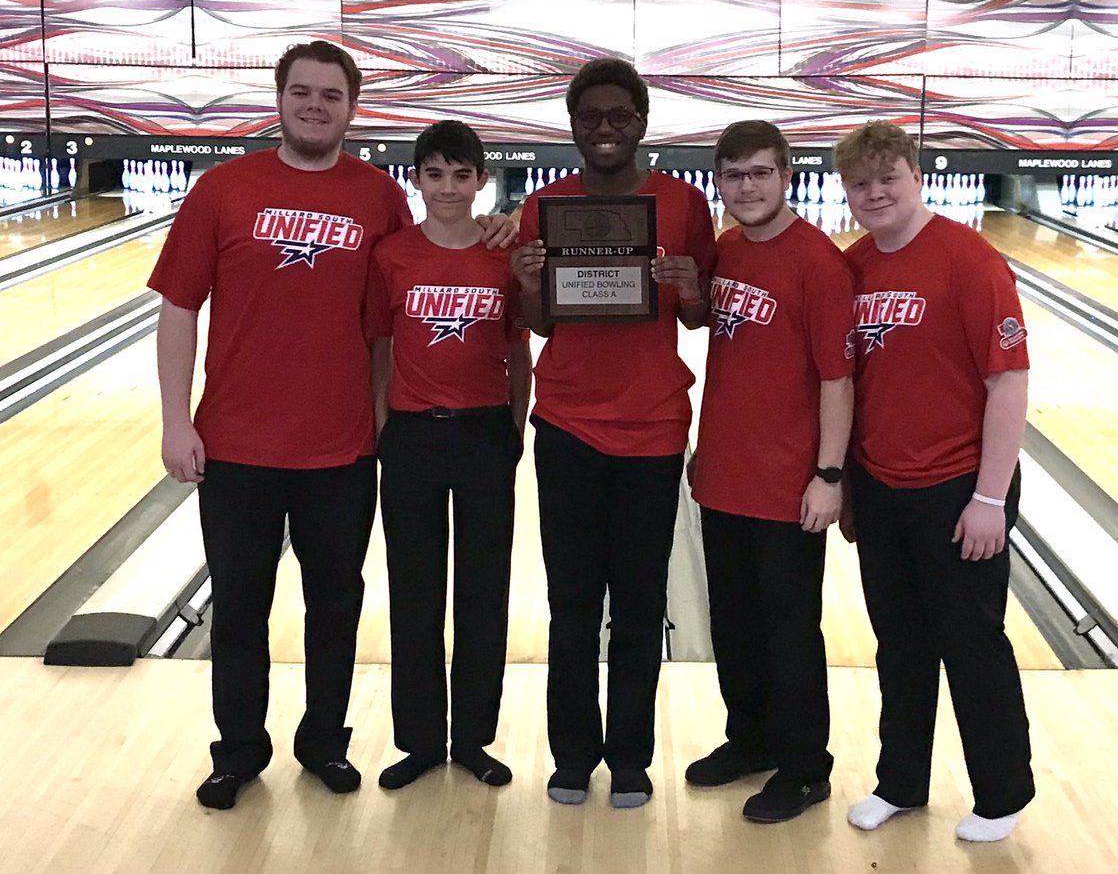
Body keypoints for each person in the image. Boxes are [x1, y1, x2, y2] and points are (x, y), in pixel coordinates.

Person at [151, 40, 514, 811]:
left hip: (345, 445)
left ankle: (323, 743)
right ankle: (239, 751)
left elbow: (418, 285)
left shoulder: (379, 196)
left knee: (335, 606)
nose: (315, 105)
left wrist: (498, 231)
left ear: (353, 107)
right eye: (302, 92)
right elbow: (178, 306)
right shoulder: (221, 189)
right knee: (241, 609)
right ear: (279, 98)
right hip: (236, 443)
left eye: (331, 95)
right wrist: (174, 420)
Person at [510, 58, 716, 808]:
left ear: (641, 122)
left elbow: (700, 318)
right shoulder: (543, 208)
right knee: (571, 605)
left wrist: (690, 288)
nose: (603, 130)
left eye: (617, 117)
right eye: (589, 117)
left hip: (654, 431)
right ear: (572, 124)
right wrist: (530, 282)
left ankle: (630, 757)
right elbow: (537, 325)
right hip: (566, 427)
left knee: (637, 603)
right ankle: (572, 758)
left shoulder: (684, 203)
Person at [834, 120, 1034, 842]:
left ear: (917, 176)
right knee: (900, 643)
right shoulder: (854, 267)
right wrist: (853, 485)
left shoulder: (969, 260)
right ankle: (901, 783)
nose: (875, 192)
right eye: (861, 184)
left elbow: (1008, 381)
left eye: (888, 177)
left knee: (973, 644)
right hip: (884, 487)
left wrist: (989, 499)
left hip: (958, 488)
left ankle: (1003, 793)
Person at [686, 121, 854, 823]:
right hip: (722, 473)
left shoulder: (817, 262)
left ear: (786, 174)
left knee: (789, 629)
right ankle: (749, 739)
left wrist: (830, 474)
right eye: (732, 175)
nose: (745, 187)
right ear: (718, 181)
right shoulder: (726, 251)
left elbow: (838, 381)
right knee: (734, 624)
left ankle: (805, 766)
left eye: (759, 173)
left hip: (789, 484)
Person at [365, 120, 531, 791]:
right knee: (414, 591)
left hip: (485, 432)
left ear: (481, 180)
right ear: (418, 180)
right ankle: (421, 740)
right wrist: (385, 427)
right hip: (411, 436)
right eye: (435, 174)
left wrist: (514, 430)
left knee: (483, 592)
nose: (449, 188)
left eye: (462, 175)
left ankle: (472, 739)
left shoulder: (503, 256)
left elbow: (519, 351)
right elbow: (379, 347)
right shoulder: (392, 256)